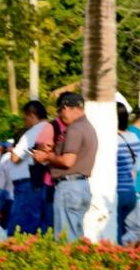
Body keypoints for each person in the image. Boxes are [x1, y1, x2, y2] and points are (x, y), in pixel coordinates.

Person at [32, 92, 97, 242]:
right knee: (75, 235)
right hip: (82, 186)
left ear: (66, 107)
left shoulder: (74, 129)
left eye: (60, 111)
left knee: (65, 238)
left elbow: (68, 161)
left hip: (69, 187)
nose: (60, 116)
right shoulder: (89, 127)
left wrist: (46, 156)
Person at [7, 100, 53, 235]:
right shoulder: (51, 128)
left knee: (20, 226)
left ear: (32, 115)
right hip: (40, 182)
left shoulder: (34, 131)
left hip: (27, 183)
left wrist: (13, 150)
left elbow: (15, 157)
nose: (24, 122)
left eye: (25, 118)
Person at [116, 103, 140, 243]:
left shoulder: (111, 140)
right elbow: (136, 168)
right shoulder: (134, 137)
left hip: (117, 192)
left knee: (116, 231)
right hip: (131, 191)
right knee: (133, 232)